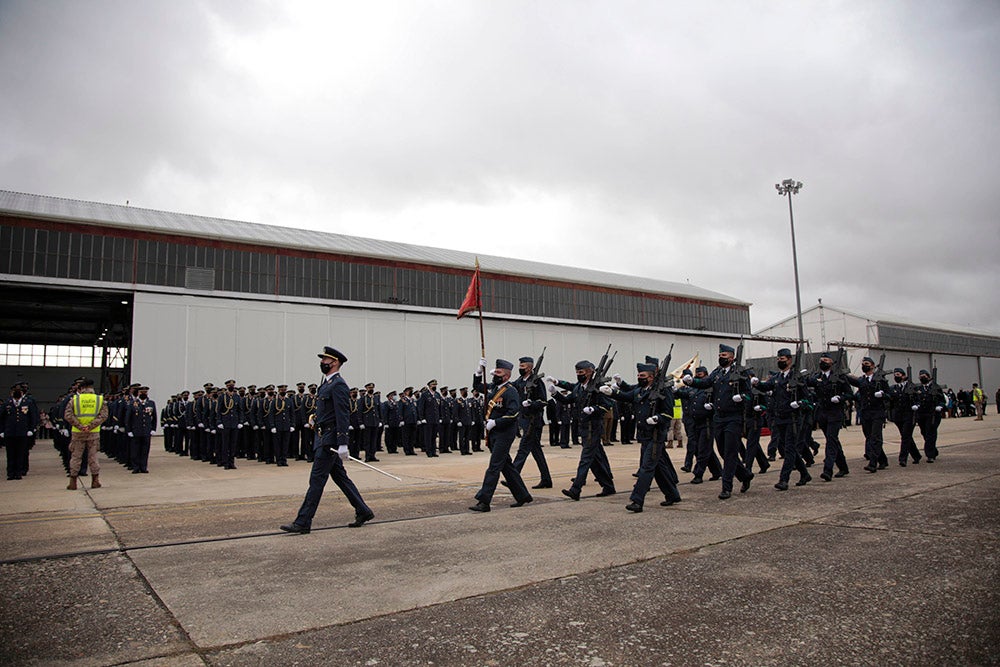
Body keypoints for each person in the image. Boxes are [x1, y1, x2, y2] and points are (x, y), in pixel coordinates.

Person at [281, 347, 374, 533]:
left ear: (335, 362)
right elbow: (328, 411)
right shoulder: (326, 384)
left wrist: (342, 442)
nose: (323, 362)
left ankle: (303, 521)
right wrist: (316, 418)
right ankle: (363, 510)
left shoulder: (338, 384)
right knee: (341, 478)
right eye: (323, 359)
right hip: (323, 437)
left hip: (330, 441)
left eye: (326, 360)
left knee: (316, 480)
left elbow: (342, 414)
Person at [601, 361, 682, 511]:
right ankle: (672, 494)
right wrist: (612, 393)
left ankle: (637, 500)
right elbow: (626, 396)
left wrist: (657, 418)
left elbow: (668, 412)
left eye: (642, 375)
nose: (639, 377)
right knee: (658, 467)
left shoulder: (663, 390)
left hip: (656, 435)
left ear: (651, 377)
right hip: (644, 434)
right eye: (638, 375)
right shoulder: (640, 390)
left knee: (646, 468)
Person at [469, 358, 533, 512]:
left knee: (494, 467)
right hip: (494, 433)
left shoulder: (510, 391)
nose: (494, 374)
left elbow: (513, 413)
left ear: (506, 376)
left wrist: (495, 422)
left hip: (504, 433)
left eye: (498, 372)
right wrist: (479, 371)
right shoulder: (494, 388)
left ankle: (484, 501)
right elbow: (477, 386)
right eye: (495, 371)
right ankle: (523, 495)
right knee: (507, 467)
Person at [549, 360, 616, 501]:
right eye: (577, 373)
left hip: (594, 427)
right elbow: (568, 400)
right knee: (595, 460)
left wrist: (594, 409)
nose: (579, 375)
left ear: (590, 371)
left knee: (586, 459)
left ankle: (576, 489)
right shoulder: (579, 387)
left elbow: (608, 405)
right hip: (584, 427)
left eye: (581, 372)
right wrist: (555, 393)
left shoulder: (598, 386)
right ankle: (608, 486)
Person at [748, 349, 809, 492]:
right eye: (778, 358)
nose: (779, 361)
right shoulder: (777, 378)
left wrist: (799, 403)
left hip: (793, 418)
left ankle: (783, 479)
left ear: (789, 360)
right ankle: (805, 474)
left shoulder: (797, 378)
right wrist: (756, 383)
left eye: (782, 358)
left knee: (789, 449)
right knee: (788, 448)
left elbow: (807, 399)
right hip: (780, 418)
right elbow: (766, 386)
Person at [805, 352, 853, 481]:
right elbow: (807, 383)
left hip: (835, 413)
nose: (823, 362)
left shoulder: (839, 377)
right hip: (822, 414)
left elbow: (849, 394)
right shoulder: (817, 377)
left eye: (825, 360)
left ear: (832, 362)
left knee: (831, 441)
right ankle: (843, 467)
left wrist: (840, 398)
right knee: (833, 441)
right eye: (821, 360)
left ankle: (828, 470)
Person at [511, 356, 553, 489]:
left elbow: (543, 401)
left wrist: (532, 403)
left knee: (523, 449)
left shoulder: (536, 382)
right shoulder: (519, 382)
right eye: (520, 366)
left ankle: (513, 476)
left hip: (534, 421)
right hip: (524, 420)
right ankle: (546, 479)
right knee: (536, 452)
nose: (520, 368)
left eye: (522, 367)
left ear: (529, 367)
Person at [64, 378, 109, 490]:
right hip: (93, 433)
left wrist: (80, 426)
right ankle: (95, 480)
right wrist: (90, 426)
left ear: (82, 388)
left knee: (76, 457)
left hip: (78, 433)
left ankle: (73, 481)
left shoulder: (74, 400)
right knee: (93, 457)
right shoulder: (99, 400)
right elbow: (103, 416)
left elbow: (68, 415)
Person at [3, 384, 39, 480]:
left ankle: (19, 472)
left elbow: (32, 416)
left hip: (22, 432)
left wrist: (31, 429)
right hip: (10, 432)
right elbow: (2, 418)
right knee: (10, 454)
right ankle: (10, 473)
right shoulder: (7, 403)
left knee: (20, 453)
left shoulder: (27, 403)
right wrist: (1, 430)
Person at [888, 368, 921, 466]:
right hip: (898, 416)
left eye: (898, 374)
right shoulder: (893, 388)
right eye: (895, 375)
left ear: (903, 376)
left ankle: (903, 459)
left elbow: (918, 398)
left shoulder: (911, 387)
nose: (896, 376)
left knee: (906, 436)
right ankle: (916, 455)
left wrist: (917, 405)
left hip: (909, 415)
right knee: (906, 436)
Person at [913, 370, 946, 462]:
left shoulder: (935, 387)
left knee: (930, 433)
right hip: (921, 414)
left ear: (928, 377)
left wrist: (940, 406)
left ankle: (930, 455)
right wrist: (915, 405)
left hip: (933, 414)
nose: (922, 378)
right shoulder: (917, 388)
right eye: (920, 376)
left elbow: (942, 400)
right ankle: (933, 450)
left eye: (924, 376)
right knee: (924, 433)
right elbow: (915, 399)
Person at [125, 386, 157, 474]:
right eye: (141, 392)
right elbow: (128, 418)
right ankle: (135, 467)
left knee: (145, 450)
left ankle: (143, 467)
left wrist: (153, 428)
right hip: (136, 430)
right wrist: (129, 430)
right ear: (138, 393)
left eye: (145, 392)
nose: (143, 394)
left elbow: (154, 417)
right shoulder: (133, 403)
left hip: (146, 430)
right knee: (135, 450)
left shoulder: (151, 403)